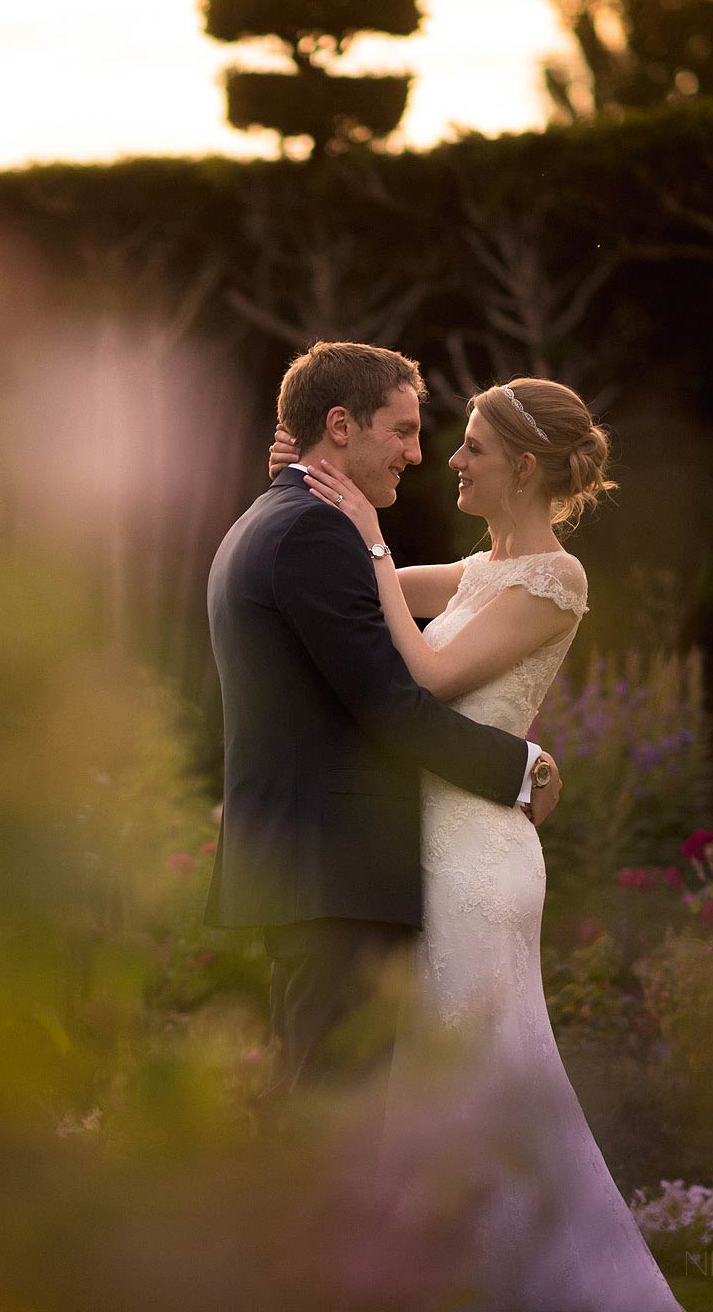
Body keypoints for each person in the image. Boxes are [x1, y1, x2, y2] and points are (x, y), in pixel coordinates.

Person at [270, 375, 684, 1311]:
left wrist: (370, 535)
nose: (450, 460)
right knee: (425, 1077)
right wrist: (308, 485)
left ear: (525, 466)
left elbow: (421, 671)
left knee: (469, 1079)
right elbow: (355, 589)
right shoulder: (479, 567)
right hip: (435, 843)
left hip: (475, 861)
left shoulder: (554, 577)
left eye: (473, 448)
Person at [204, 343, 563, 1131]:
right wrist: (521, 766)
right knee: (336, 1127)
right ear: (340, 425)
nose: (419, 452)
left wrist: (321, 498)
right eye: (401, 430)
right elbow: (393, 704)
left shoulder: (284, 520)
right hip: (337, 871)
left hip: (322, 871)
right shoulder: (311, 535)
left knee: (328, 1116)